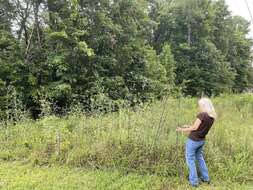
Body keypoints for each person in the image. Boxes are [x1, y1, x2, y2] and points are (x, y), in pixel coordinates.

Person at [176, 97, 217, 187]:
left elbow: (194, 128)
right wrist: (188, 126)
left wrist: (181, 129)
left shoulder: (202, 114)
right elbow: (199, 127)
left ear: (203, 105)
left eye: (200, 105)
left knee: (190, 160)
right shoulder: (212, 117)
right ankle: (206, 178)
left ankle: (194, 182)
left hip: (193, 141)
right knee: (199, 158)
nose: (199, 107)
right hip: (201, 141)